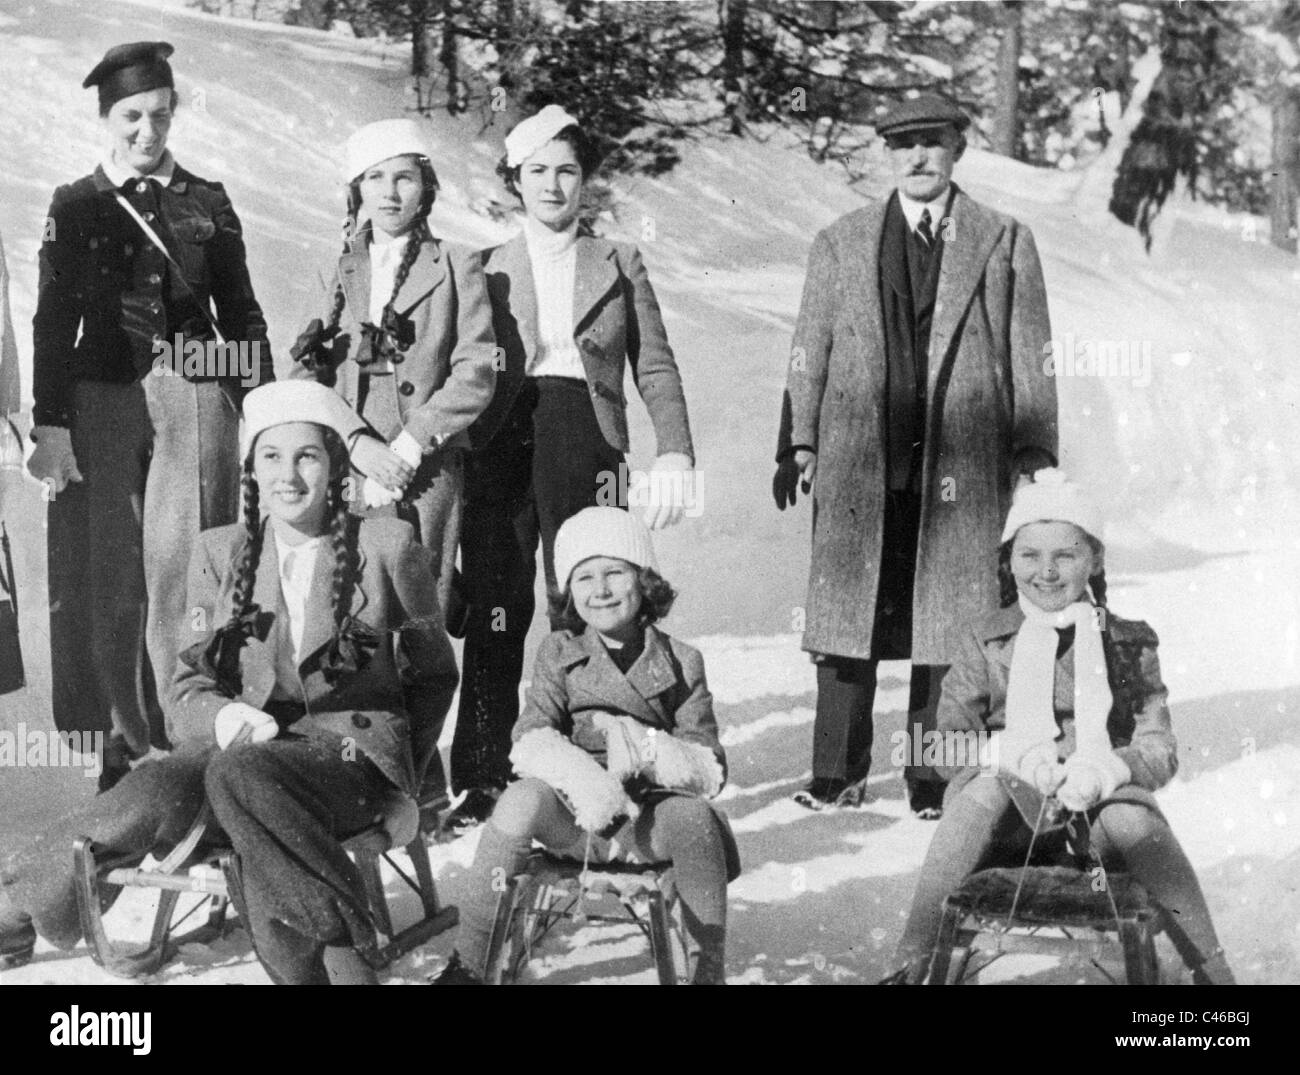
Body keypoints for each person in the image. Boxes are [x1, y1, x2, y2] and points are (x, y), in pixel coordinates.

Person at [0, 380, 460, 983]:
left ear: (336, 467)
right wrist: (222, 716)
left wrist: (408, 788)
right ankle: (14, 904)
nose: (288, 475)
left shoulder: (387, 544)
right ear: (250, 468)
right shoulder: (221, 552)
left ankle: (339, 965)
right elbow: (186, 683)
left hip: (347, 762)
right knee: (159, 783)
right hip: (246, 751)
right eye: (270, 456)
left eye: (307, 456)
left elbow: (433, 674)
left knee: (237, 772)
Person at [773, 93, 1058, 816]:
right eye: (903, 145)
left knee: (949, 622)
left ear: (957, 148)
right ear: (887, 155)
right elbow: (809, 349)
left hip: (964, 463)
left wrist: (1033, 447)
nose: (918, 158)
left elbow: (1033, 354)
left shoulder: (1003, 239)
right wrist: (799, 439)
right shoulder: (840, 241)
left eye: (932, 142)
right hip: (859, 464)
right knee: (846, 620)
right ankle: (836, 776)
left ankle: (934, 782)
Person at [26, 42, 276, 788]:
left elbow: (242, 313)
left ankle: (188, 737)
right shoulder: (74, 203)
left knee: (188, 569)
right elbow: (51, 321)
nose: (147, 131)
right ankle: (122, 748)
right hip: (105, 399)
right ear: (106, 118)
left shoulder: (210, 199)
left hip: (200, 396)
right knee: (113, 574)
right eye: (132, 116)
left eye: (160, 115)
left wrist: (263, 404)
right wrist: (51, 421)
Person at [448, 105, 697, 834]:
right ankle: (482, 771)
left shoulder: (618, 262)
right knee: (498, 601)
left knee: (584, 598)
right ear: (514, 182)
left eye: (567, 170)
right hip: (501, 435)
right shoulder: (483, 265)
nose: (553, 185)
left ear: (586, 181)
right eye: (537, 172)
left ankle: (589, 757)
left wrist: (674, 446)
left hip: (585, 432)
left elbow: (653, 362)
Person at [884, 469, 1235, 985]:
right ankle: (906, 964)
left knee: (1133, 818)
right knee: (982, 793)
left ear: (1093, 559)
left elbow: (1159, 747)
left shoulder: (1126, 642)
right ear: (1009, 560)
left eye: (1064, 556)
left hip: (1097, 826)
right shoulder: (987, 640)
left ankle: (1212, 971)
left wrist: (1107, 770)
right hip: (1007, 824)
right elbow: (940, 747)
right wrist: (1009, 755)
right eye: (1029, 556)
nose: (1045, 572)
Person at [435, 507, 737, 985]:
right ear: (569, 592)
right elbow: (529, 737)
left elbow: (707, 764)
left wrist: (647, 748)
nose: (600, 591)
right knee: (518, 799)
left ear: (645, 582)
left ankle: (706, 971)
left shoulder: (682, 661)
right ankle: (470, 962)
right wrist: (587, 781)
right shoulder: (559, 651)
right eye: (584, 578)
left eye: (615, 573)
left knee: (697, 820)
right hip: (573, 817)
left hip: (646, 822)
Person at [290, 118, 498, 630]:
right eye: (375, 178)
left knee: (415, 613)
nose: (389, 192)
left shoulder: (455, 264)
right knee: (348, 608)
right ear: (356, 187)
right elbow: (302, 377)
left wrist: (411, 444)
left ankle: (418, 713)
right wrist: (356, 443)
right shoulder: (334, 270)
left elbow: (477, 368)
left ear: (426, 186)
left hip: (423, 468)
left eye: (404, 177)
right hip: (347, 463)